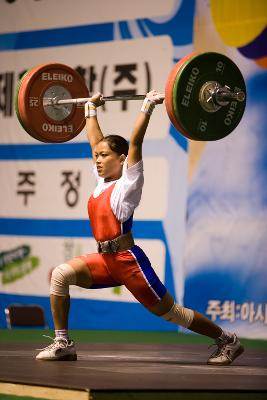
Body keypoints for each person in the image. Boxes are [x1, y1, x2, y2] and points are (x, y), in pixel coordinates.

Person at [36, 91, 244, 365]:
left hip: (128, 261)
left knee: (172, 313)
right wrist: (90, 109)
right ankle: (63, 342)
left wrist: (147, 106)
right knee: (61, 275)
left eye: (104, 155)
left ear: (121, 159)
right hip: (105, 259)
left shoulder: (128, 185)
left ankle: (227, 340)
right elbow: (94, 140)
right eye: (96, 156)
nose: (97, 159)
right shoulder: (102, 183)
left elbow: (136, 142)